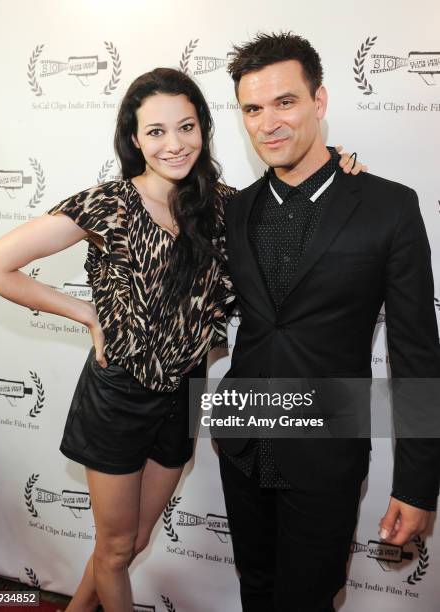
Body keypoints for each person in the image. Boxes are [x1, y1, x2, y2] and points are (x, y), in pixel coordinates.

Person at [0, 66, 362, 612]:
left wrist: (340, 167)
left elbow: (298, 209)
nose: (174, 144)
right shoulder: (109, 204)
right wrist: (86, 313)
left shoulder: (224, 205)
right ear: (134, 138)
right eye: (156, 131)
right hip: (118, 397)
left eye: (186, 127)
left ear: (203, 128)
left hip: (183, 394)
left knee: (129, 545)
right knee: (112, 551)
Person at [213, 32, 440, 612]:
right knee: (255, 591)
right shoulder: (235, 209)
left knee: (308, 600)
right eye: (252, 109)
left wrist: (417, 486)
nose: (268, 123)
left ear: (320, 101)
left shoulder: (389, 206)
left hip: (325, 445)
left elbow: (415, 354)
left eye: (285, 102)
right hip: (243, 436)